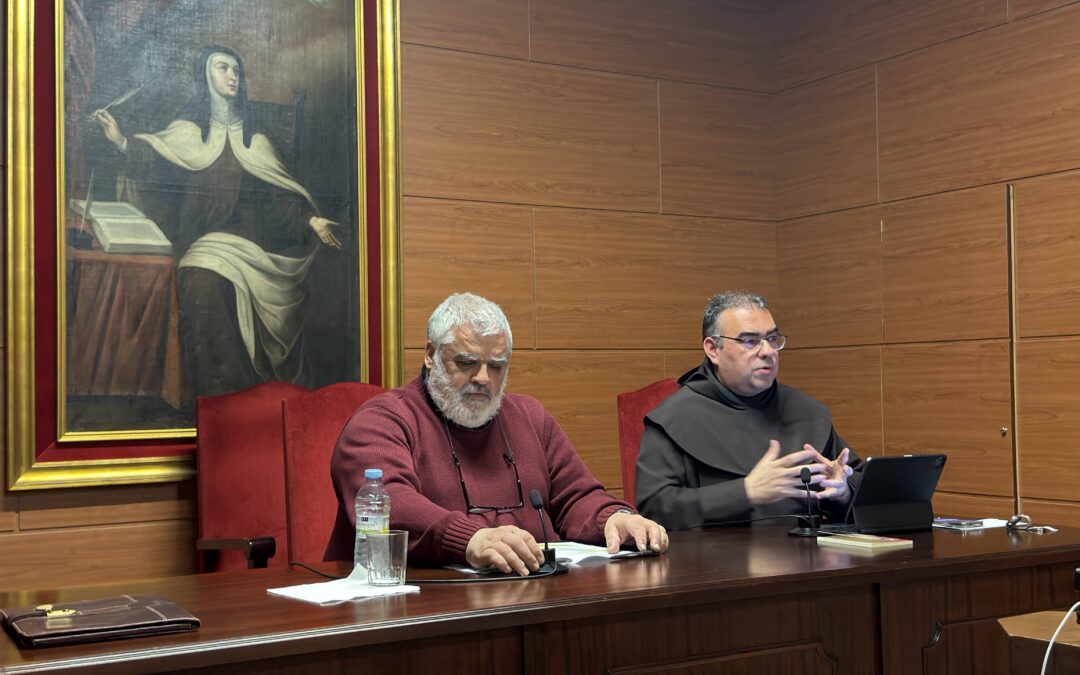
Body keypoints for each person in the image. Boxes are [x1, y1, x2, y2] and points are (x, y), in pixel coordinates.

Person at [327, 292, 669, 575]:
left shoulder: (530, 416)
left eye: (496, 365)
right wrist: (470, 540)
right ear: (430, 355)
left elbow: (576, 496)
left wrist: (615, 518)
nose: (483, 378)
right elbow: (390, 504)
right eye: (466, 363)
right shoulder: (381, 421)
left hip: (533, 594)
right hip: (418, 608)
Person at [93, 45, 341, 400]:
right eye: (223, 68)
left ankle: (246, 397)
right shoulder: (186, 133)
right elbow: (157, 167)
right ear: (205, 77)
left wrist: (310, 220)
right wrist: (120, 142)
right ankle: (220, 398)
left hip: (256, 247)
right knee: (201, 277)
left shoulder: (255, 141)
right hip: (205, 243)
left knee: (205, 273)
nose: (232, 76)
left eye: (236, 70)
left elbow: (277, 199)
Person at [635, 290, 862, 530]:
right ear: (713, 349)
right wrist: (745, 492)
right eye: (749, 341)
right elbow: (655, 508)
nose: (767, 351)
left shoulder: (805, 410)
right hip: (711, 562)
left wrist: (843, 491)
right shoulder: (674, 417)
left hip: (808, 559)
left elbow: (861, 486)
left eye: (772, 339)